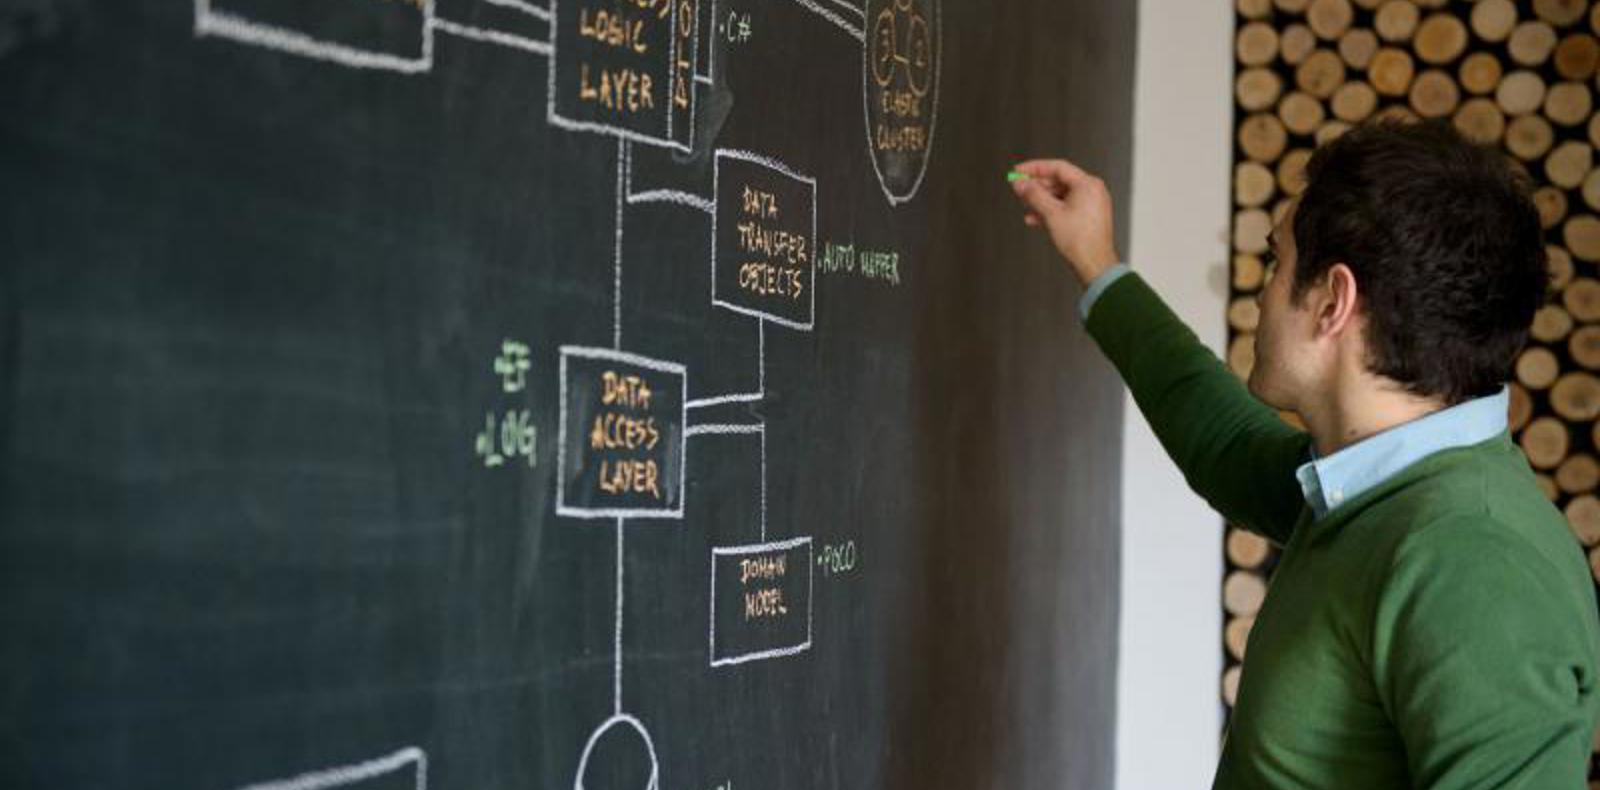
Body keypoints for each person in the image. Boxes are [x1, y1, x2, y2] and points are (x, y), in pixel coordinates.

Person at [1011, 118, 1600, 789]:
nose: (1262, 292)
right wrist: (1099, 264)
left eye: (1275, 261)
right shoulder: (1376, 486)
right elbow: (1226, 443)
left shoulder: (1474, 561)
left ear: (1331, 302)